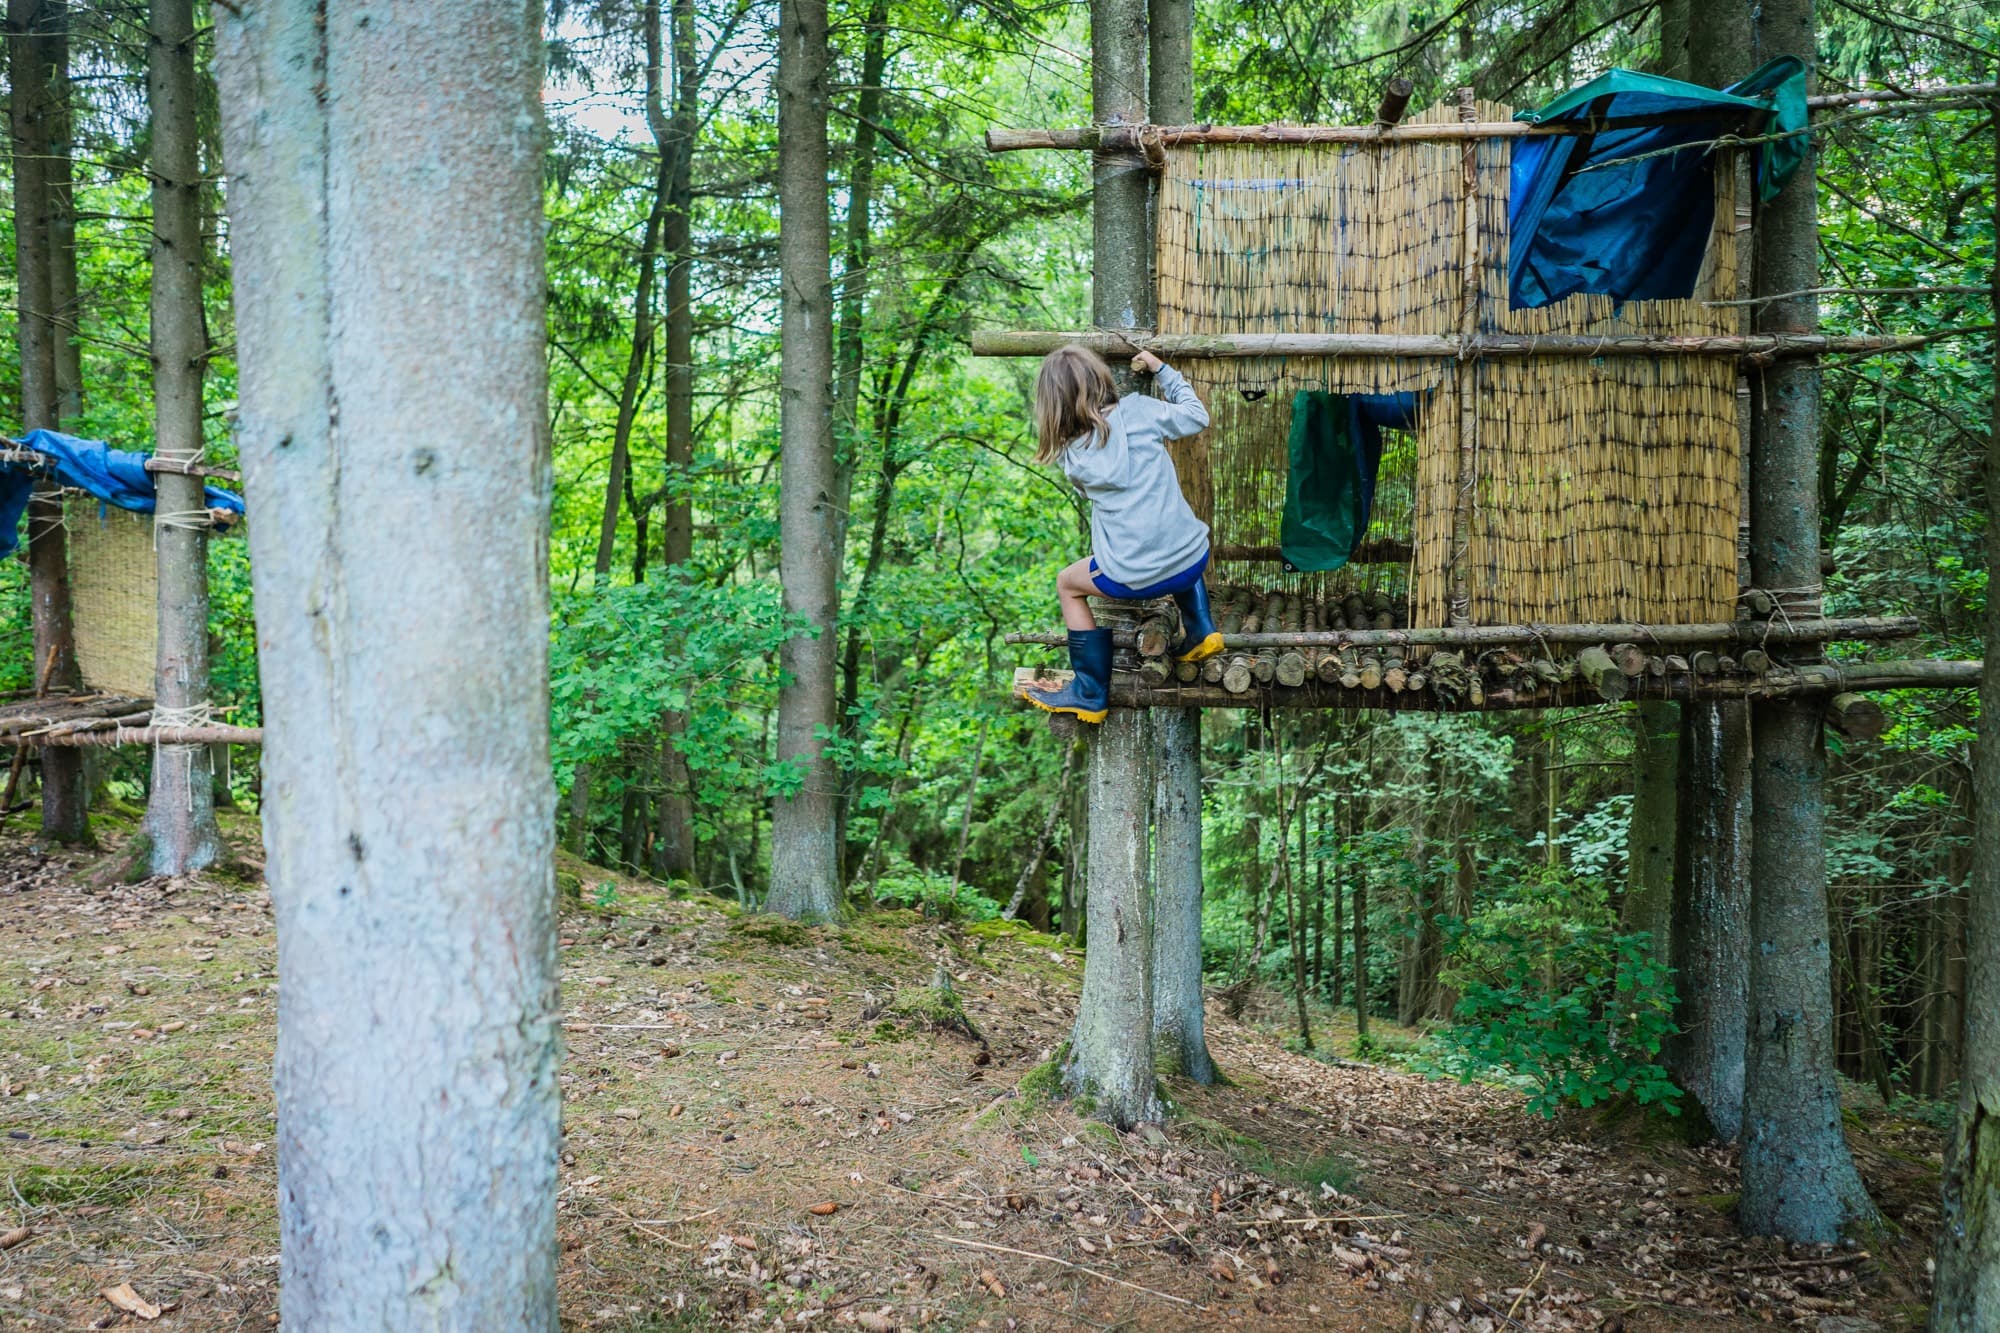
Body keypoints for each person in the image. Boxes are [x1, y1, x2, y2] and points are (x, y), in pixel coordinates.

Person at [1019, 343, 1224, 724]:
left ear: (1053, 405)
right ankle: (1202, 629)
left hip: (1135, 577)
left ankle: (1089, 692)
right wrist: (1161, 369)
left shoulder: (1070, 455)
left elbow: (1090, 490)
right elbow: (1197, 417)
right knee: (1170, 535)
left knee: (1067, 583)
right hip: (1193, 558)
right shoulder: (1141, 410)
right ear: (1101, 378)